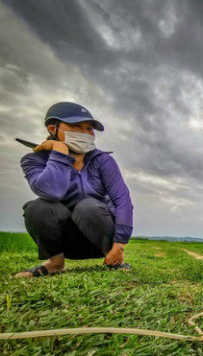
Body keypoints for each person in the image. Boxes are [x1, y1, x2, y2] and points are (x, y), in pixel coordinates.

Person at [15, 102, 133, 278]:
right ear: (53, 128)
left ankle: (115, 258)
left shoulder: (103, 160)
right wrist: (60, 153)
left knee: (88, 207)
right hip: (65, 240)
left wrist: (120, 244)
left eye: (89, 128)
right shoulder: (34, 161)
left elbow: (122, 200)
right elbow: (51, 192)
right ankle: (55, 262)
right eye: (76, 126)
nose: (85, 132)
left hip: (99, 239)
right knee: (37, 207)